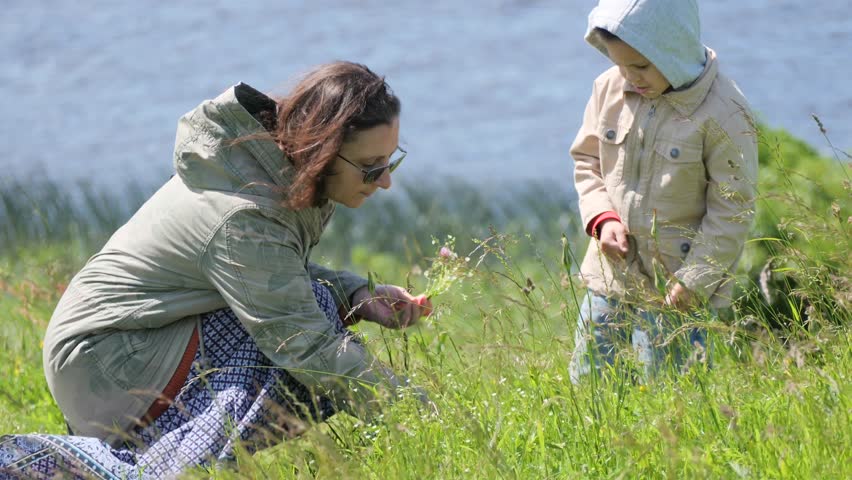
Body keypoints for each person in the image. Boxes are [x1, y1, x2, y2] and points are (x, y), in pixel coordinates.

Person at [0, 61, 433, 479]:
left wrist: (359, 295)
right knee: (307, 337)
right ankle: (151, 468)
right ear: (322, 150)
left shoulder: (277, 171)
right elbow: (301, 339)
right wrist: (417, 409)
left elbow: (272, 274)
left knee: (315, 316)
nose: (385, 182)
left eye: (391, 162)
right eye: (372, 168)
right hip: (105, 360)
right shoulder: (243, 211)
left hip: (123, 345)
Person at [567, 0, 758, 382]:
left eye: (640, 66)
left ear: (674, 48)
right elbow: (587, 162)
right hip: (611, 274)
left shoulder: (724, 111)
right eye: (618, 63)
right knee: (591, 382)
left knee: (671, 395)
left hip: (679, 292)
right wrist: (602, 220)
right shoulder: (609, 88)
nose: (629, 76)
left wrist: (696, 278)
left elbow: (732, 208)